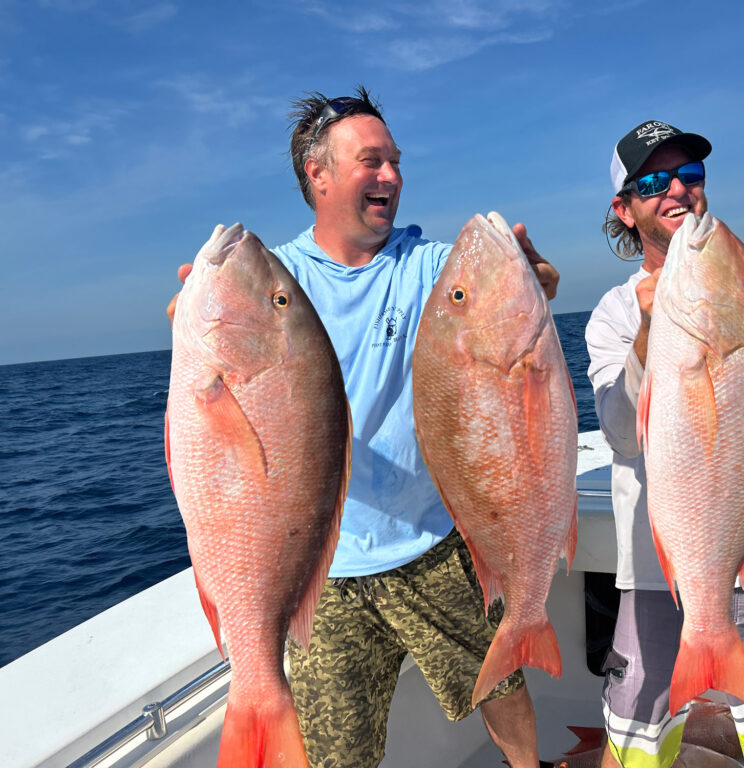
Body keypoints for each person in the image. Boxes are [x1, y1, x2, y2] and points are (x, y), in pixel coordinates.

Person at [170, 87, 558, 768]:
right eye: (371, 162)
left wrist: (534, 279)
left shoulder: (429, 267)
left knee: (499, 685)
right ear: (318, 176)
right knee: (335, 751)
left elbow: (494, 296)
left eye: (396, 162)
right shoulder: (278, 286)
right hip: (324, 568)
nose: (392, 178)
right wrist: (199, 328)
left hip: (433, 543)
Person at [585, 121, 744, 768]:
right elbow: (619, 432)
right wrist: (650, 334)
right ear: (624, 209)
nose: (677, 188)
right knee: (633, 753)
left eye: (690, 175)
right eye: (653, 181)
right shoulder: (615, 315)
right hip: (654, 574)